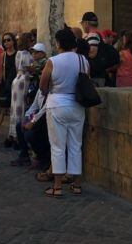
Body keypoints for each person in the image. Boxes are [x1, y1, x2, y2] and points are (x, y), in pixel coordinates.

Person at [40, 28, 86, 197]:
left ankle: (57, 186)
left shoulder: (53, 61)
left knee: (57, 146)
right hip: (77, 105)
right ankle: (77, 184)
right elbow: (85, 81)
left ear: (58, 43)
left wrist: (50, 90)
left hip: (57, 104)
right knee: (76, 145)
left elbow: (43, 84)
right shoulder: (83, 60)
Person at [11, 42, 47, 167]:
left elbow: (44, 109)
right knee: (19, 125)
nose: (34, 54)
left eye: (36, 52)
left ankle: (41, 158)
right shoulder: (40, 89)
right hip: (35, 98)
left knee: (31, 133)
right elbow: (35, 106)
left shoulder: (44, 64)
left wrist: (32, 121)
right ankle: (24, 155)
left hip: (44, 119)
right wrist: (27, 118)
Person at [9, 33, 33, 153]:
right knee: (21, 107)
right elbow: (28, 68)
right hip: (24, 80)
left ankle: (13, 134)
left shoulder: (18, 53)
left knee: (15, 108)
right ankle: (19, 137)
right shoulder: (27, 54)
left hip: (16, 79)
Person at [0, 32, 17, 143]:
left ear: (13, 41)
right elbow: (2, 69)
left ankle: (11, 135)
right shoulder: (3, 55)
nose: (6, 42)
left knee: (13, 110)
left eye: (8, 40)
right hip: (5, 84)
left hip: (15, 84)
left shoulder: (18, 54)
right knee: (2, 108)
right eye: (5, 40)